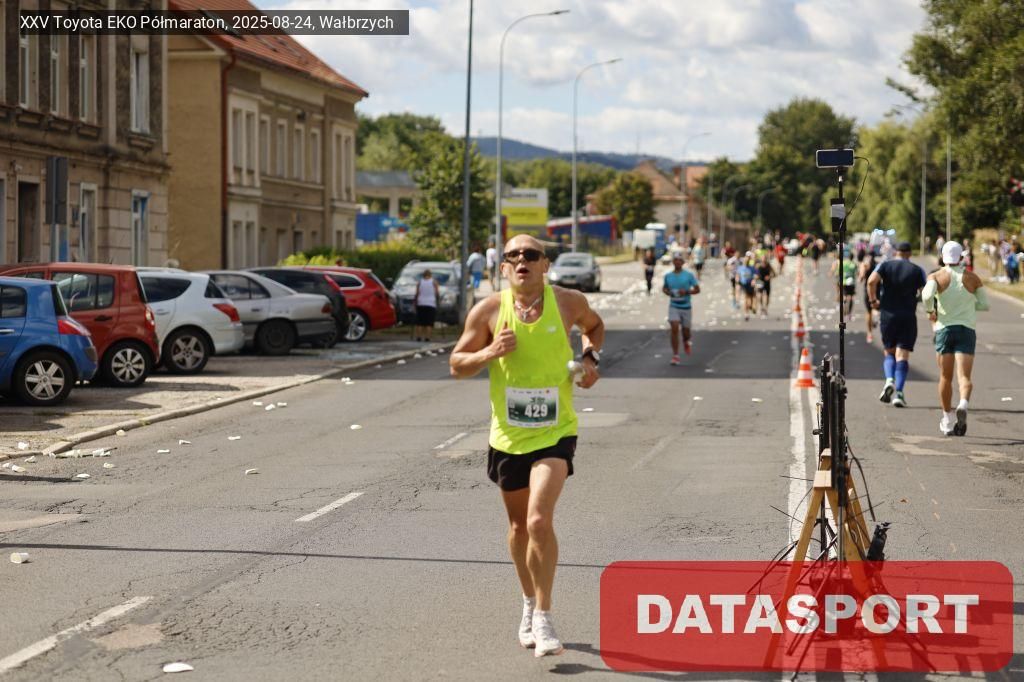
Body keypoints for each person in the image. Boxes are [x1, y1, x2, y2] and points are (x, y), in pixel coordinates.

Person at [449, 235, 604, 657]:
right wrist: (490, 352)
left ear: (544, 265)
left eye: (531, 255)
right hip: (508, 436)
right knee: (519, 527)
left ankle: (545, 617)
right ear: (503, 268)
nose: (522, 261)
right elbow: (456, 365)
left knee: (538, 521)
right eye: (513, 256)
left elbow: (594, 328)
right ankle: (528, 602)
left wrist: (590, 359)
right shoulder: (488, 311)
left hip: (556, 431)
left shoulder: (568, 302)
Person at [922, 241, 989, 436]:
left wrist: (930, 310)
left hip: (945, 330)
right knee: (965, 377)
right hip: (966, 330)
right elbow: (984, 304)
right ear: (961, 257)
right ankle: (963, 404)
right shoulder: (973, 278)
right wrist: (969, 306)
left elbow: (926, 295)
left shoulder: (936, 276)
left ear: (942, 257)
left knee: (945, 376)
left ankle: (947, 418)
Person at [867, 242, 926, 408]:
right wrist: (919, 299)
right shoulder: (917, 270)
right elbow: (926, 291)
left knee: (889, 351)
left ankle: (889, 380)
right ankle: (899, 393)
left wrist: (873, 301)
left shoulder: (885, 265)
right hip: (908, 316)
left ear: (896, 252)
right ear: (909, 254)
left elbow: (871, 281)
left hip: (888, 315)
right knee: (903, 355)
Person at [663, 251, 700, 364]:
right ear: (673, 262)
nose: (677, 262)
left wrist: (687, 292)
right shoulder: (668, 276)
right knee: (674, 328)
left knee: (686, 332)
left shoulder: (688, 275)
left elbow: (697, 289)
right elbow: (664, 288)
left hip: (686, 307)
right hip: (674, 306)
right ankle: (675, 355)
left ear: (683, 262)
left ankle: (686, 341)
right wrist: (668, 292)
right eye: (675, 260)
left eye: (680, 260)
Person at [413, 269, 440, 342]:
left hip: (421, 303)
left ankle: (418, 336)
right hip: (431, 304)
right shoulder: (434, 282)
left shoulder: (420, 282)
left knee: (420, 322)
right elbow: (437, 293)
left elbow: (417, 293)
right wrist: (438, 300)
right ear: (430, 275)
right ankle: (427, 337)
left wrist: (415, 303)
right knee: (429, 322)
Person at [857, 249, 878, 343]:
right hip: (878, 289)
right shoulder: (878, 265)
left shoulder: (864, 264)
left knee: (869, 311)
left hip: (868, 290)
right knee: (876, 308)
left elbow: (861, 278)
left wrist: (861, 276)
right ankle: (876, 317)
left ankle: (869, 333)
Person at [831, 247, 857, 317]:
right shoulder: (854, 264)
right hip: (852, 283)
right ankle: (849, 312)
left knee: (844, 296)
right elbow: (857, 273)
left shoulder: (843, 263)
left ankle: (844, 308)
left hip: (844, 282)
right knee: (851, 297)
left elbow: (838, 271)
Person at [736, 254, 757, 321]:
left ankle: (751, 306)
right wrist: (737, 281)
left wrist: (754, 280)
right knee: (745, 298)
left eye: (747, 260)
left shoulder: (752, 268)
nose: (746, 262)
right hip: (743, 284)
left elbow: (756, 275)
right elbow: (737, 275)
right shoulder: (740, 268)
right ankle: (746, 313)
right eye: (745, 260)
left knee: (751, 297)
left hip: (750, 285)